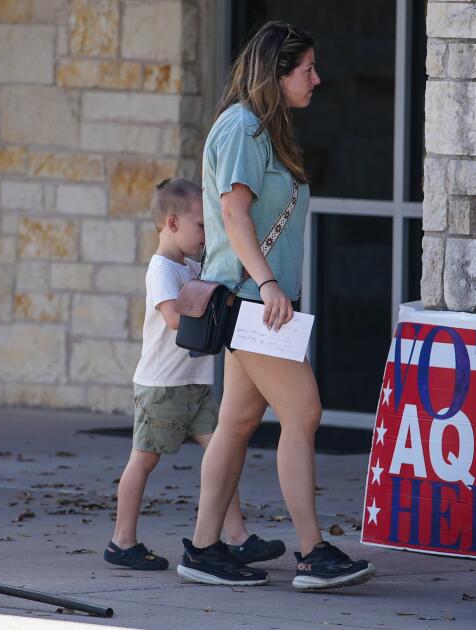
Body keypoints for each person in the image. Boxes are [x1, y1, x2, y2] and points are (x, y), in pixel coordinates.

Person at [176, 22, 376, 590]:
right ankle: (312, 553)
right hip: (250, 302)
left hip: (256, 303)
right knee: (304, 411)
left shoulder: (263, 129)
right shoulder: (242, 127)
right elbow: (235, 217)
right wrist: (267, 286)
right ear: (276, 71)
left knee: (237, 423)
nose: (317, 78)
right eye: (307, 69)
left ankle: (204, 548)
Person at [104, 178, 284, 572]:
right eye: (201, 226)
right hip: (162, 387)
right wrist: (210, 297)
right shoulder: (163, 270)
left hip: (196, 384)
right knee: (143, 461)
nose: (206, 235)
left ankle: (236, 537)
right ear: (171, 224)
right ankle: (122, 540)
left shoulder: (190, 266)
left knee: (224, 451)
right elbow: (172, 318)